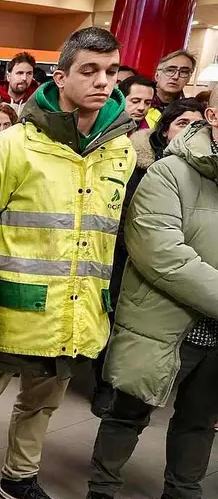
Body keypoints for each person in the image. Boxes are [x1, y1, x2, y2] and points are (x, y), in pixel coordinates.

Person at [0, 27, 136, 499]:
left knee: (42, 403)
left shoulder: (122, 151)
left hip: (74, 308)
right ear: (62, 75)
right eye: (89, 70)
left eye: (111, 71)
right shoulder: (12, 146)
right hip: (8, 304)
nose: (102, 81)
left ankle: (19, 477)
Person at [81, 100, 218, 499]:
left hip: (215, 331)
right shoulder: (170, 172)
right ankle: (102, 487)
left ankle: (183, 492)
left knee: (200, 418)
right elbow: (161, 253)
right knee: (130, 408)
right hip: (165, 320)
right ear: (213, 115)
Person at [89, 96, 206, 417]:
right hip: (126, 257)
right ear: (165, 129)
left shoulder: (204, 169)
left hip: (182, 273)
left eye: (196, 124)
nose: (189, 131)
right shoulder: (144, 164)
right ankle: (103, 387)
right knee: (115, 323)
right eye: (182, 123)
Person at [149, 51, 195, 128]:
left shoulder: (190, 110)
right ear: (157, 75)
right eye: (170, 70)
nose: (176, 77)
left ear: (189, 79)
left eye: (184, 72)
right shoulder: (139, 102)